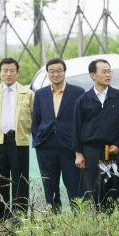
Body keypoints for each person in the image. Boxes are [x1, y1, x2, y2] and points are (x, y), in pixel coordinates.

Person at [72, 59, 119, 215]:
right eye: (104, 72)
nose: (108, 75)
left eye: (109, 71)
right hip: (91, 151)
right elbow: (76, 128)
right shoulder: (83, 100)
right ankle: (101, 224)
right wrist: (78, 153)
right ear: (93, 75)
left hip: (112, 149)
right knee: (95, 189)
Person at [0, 57, 34, 221]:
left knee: (20, 181)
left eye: (12, 71)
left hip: (19, 142)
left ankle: (19, 218)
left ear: (18, 73)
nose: (9, 74)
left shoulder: (28, 93)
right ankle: (0, 219)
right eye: (5, 71)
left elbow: (34, 116)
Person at [31, 58, 85, 212]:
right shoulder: (40, 94)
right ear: (48, 74)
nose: (56, 74)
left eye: (59, 70)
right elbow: (36, 120)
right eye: (52, 71)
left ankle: (78, 221)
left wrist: (79, 148)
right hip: (46, 147)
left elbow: (81, 121)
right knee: (50, 187)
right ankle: (54, 221)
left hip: (70, 147)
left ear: (65, 72)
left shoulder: (77, 92)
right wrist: (37, 141)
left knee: (75, 186)